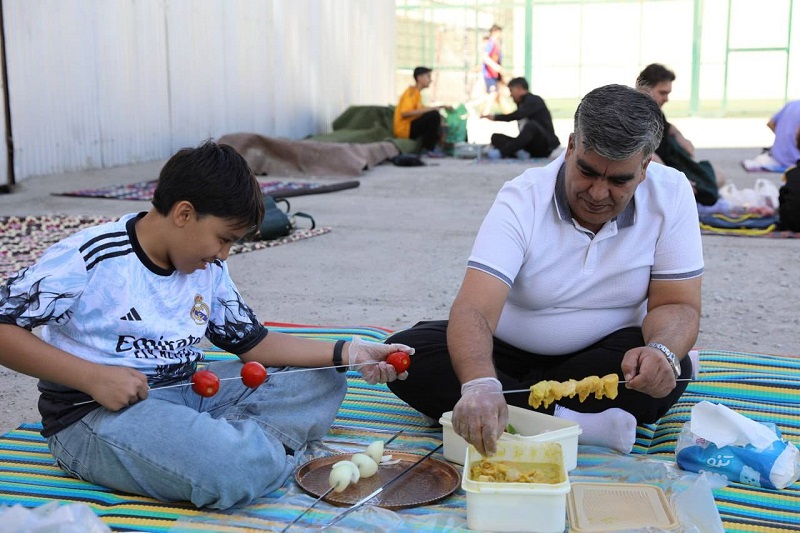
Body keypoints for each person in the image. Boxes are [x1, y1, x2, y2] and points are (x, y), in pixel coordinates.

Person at [0, 140, 412, 509]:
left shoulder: (207, 268)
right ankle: (243, 456)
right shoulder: (92, 257)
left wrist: (351, 352)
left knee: (322, 378)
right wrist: (92, 377)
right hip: (97, 416)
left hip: (187, 394)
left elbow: (254, 343)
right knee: (231, 468)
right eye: (224, 238)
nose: (224, 255)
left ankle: (229, 450)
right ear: (184, 214)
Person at [387, 84, 703, 458]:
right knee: (405, 357)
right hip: (505, 350)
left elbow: (677, 305)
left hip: (604, 353)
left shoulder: (672, 194)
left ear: (645, 167)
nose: (597, 193)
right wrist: (479, 383)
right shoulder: (523, 198)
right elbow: (474, 309)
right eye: (587, 171)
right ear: (570, 147)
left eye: (619, 180)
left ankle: (500, 407)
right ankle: (579, 425)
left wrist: (660, 351)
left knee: (670, 366)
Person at [636, 63, 722, 205]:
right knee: (715, 179)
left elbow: (670, 129)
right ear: (645, 89)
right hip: (653, 172)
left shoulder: (654, 110)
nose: (666, 99)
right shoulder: (637, 113)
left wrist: (682, 139)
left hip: (671, 166)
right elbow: (645, 153)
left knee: (715, 175)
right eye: (662, 93)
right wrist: (675, 180)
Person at [482, 77, 560, 159]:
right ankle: (521, 153)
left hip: (543, 146)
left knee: (531, 126)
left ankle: (502, 153)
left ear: (519, 88)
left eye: (511, 90)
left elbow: (517, 115)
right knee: (496, 137)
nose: (511, 95)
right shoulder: (522, 103)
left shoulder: (534, 100)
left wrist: (495, 117)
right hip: (528, 145)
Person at [393, 66, 451, 157]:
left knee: (435, 116)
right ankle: (429, 148)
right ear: (419, 78)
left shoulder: (417, 93)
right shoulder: (411, 92)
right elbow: (405, 113)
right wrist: (433, 109)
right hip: (405, 130)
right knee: (433, 115)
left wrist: (440, 107)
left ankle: (433, 147)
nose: (430, 80)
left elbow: (421, 110)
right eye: (428, 76)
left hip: (410, 127)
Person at [767, 100, 800, 170]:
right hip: (794, 161)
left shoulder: (791, 104)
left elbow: (770, 123)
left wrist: (782, 137)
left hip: (778, 157)